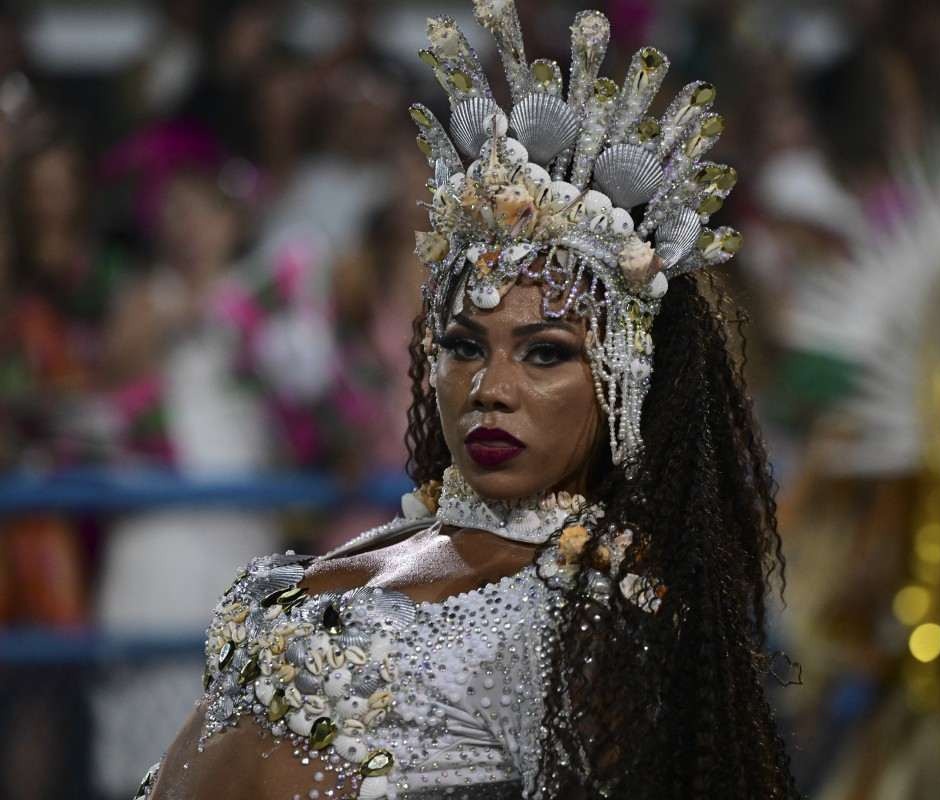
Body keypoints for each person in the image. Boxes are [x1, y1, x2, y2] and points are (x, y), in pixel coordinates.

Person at [136, 2, 798, 797]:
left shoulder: (604, 612)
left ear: (625, 376)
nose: (491, 390)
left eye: (545, 354)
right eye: (463, 347)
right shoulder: (404, 538)